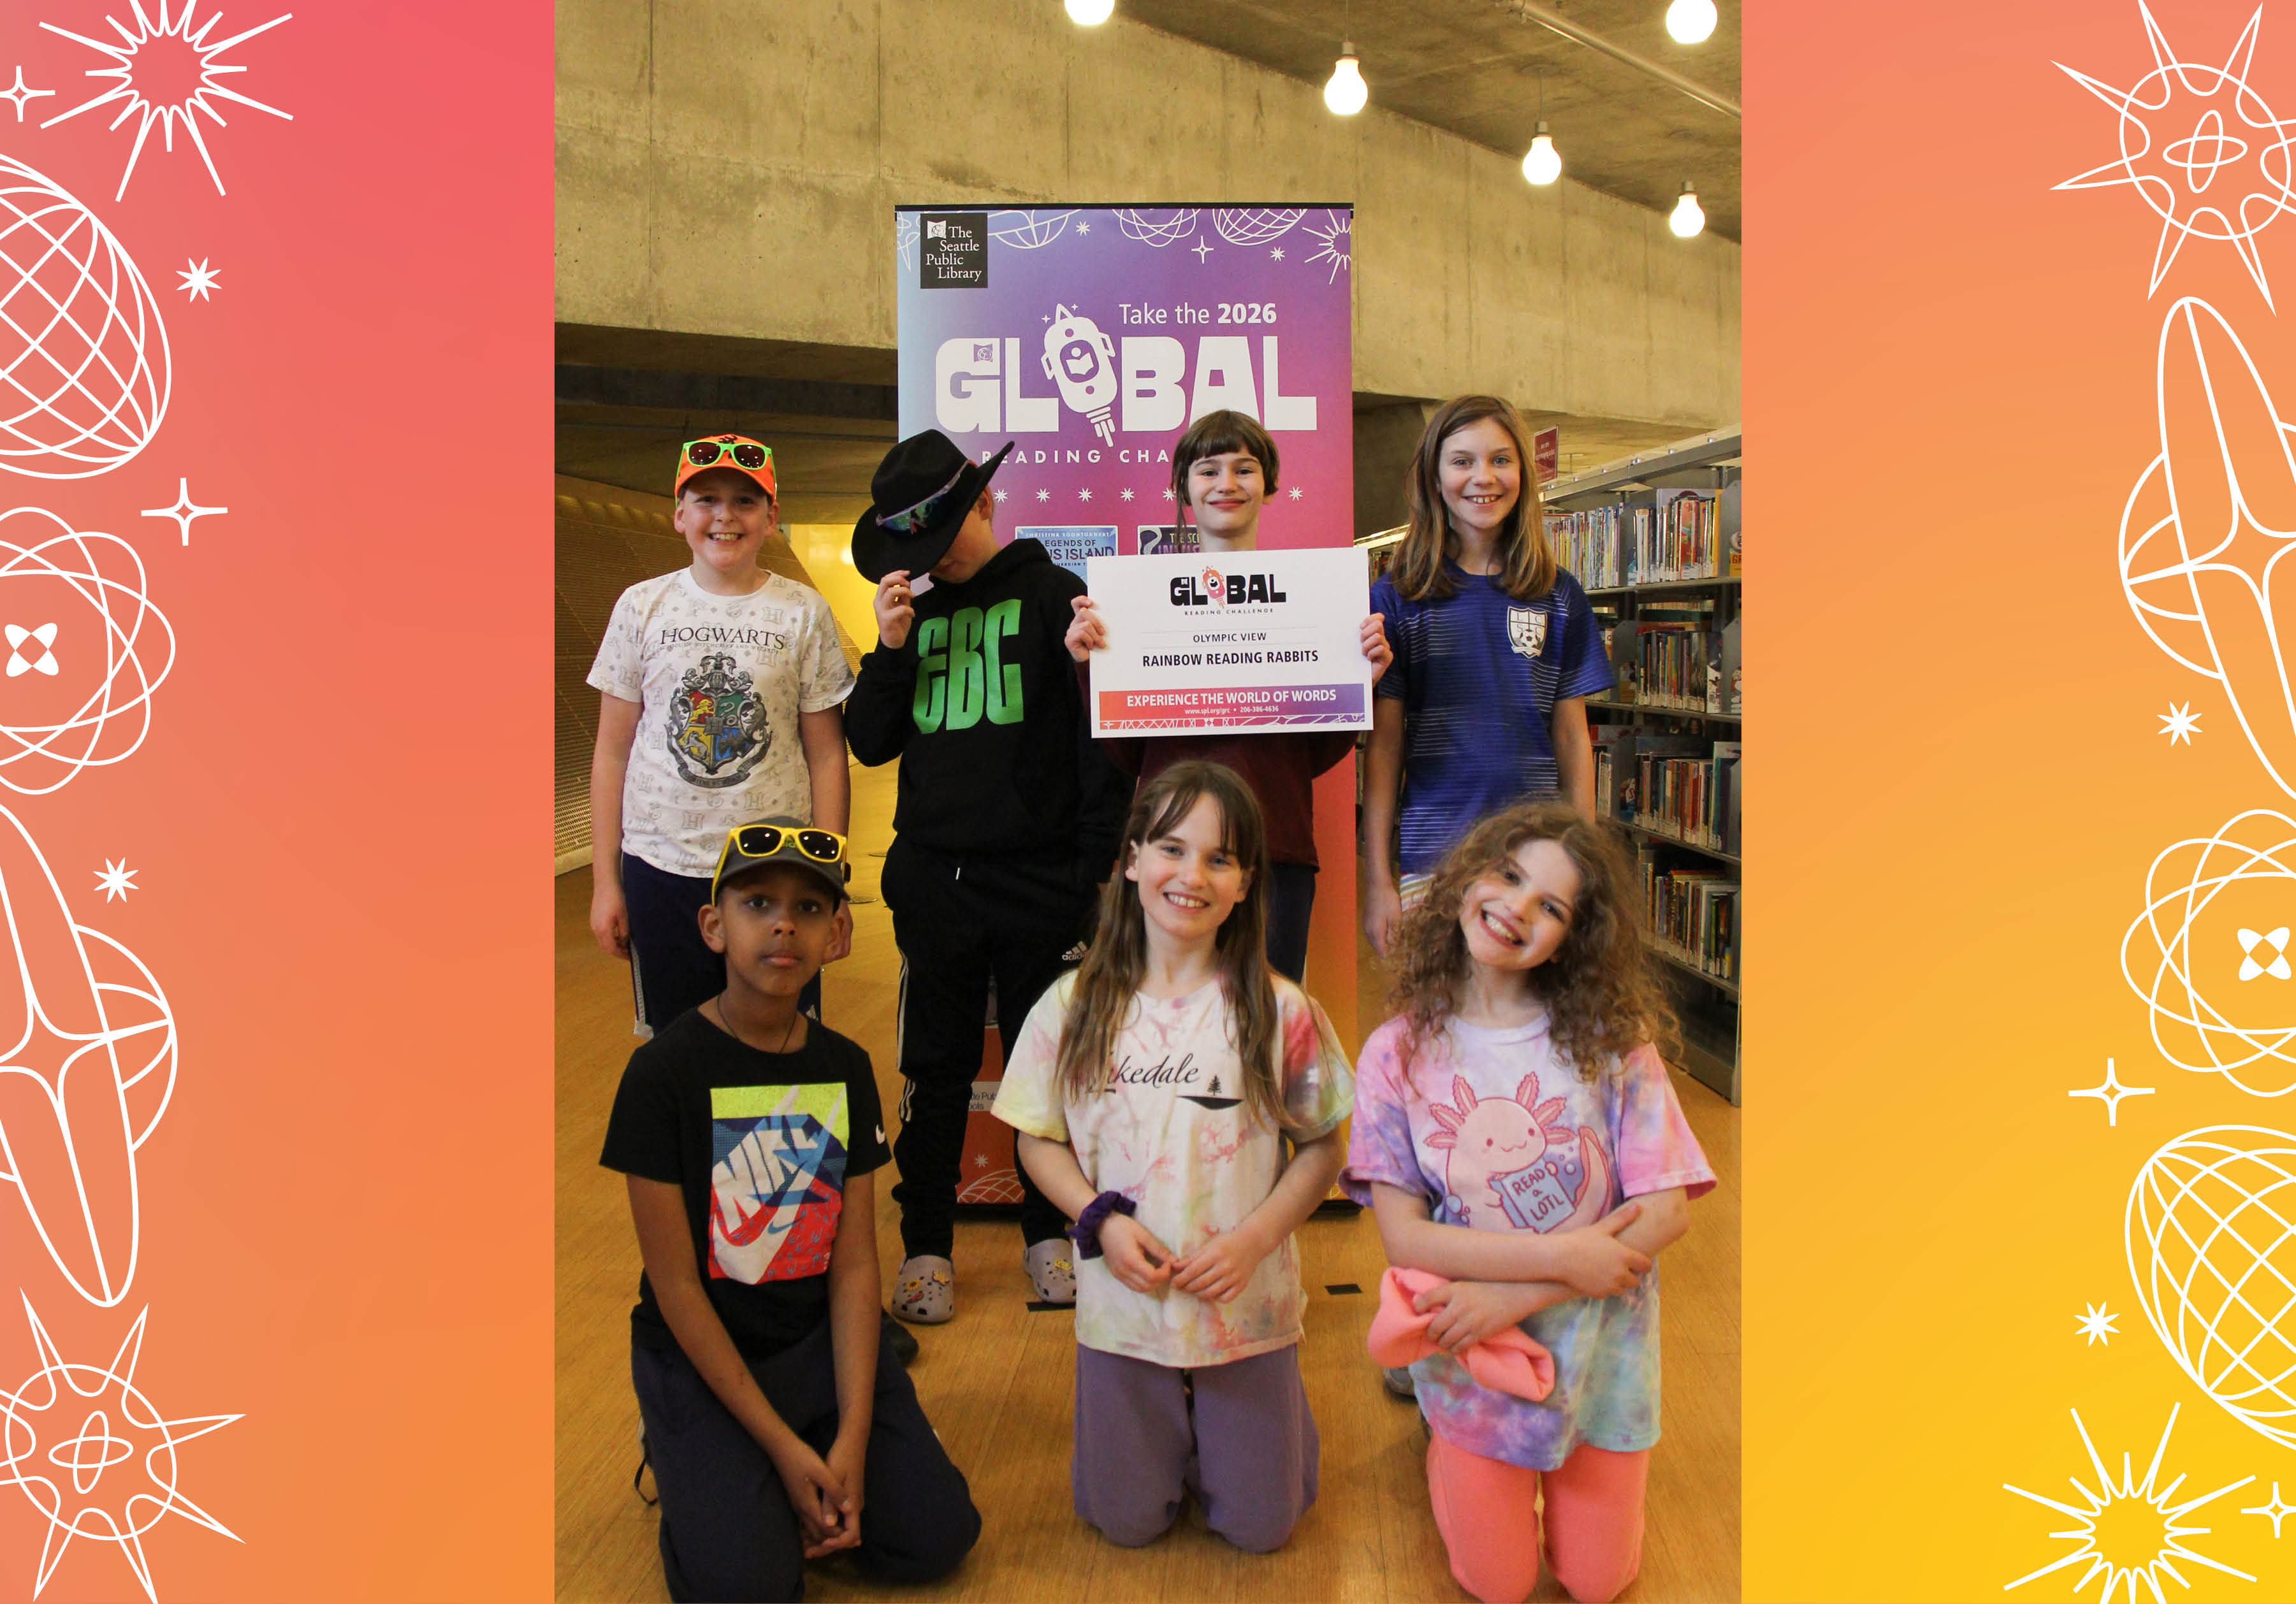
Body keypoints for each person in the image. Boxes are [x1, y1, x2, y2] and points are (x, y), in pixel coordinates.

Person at [598, 819, 980, 1603]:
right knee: (751, 1588)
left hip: (811, 1346)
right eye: (757, 904)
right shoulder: (661, 1074)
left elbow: (853, 1267)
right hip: (702, 1356)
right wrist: (779, 1448)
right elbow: (674, 1289)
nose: (783, 924)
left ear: (837, 935)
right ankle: (691, 1464)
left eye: (810, 910)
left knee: (938, 1539)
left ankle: (798, 1470)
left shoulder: (842, 1069)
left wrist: (847, 1440)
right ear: (713, 926)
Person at [1342, 801, 1713, 1604]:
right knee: (1498, 1586)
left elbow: (1666, 1212)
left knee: (1596, 1581)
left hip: (1602, 1364)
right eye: (1508, 876)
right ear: (1466, 879)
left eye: (1552, 906)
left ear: (1572, 940)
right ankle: (1446, 1447)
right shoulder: (1395, 1052)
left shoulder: (1614, 1043)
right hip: (1480, 1366)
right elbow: (1403, 1239)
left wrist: (1529, 1285)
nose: (1516, 907)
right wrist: (1567, 1256)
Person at [991, 761, 1354, 1552]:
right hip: (1124, 1305)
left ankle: (1254, 1429)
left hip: (1243, 1303)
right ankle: (1180, 1436)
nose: (1191, 875)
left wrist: (1255, 1240)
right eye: (1170, 848)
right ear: (1128, 859)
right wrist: (1096, 1220)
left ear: (1245, 882)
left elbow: (1324, 1141)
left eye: (1218, 858)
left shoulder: (1279, 1008)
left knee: (1261, 1529)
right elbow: (1035, 1137)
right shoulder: (1073, 1002)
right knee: (1124, 1524)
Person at [845, 430, 1128, 1320]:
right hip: (936, 880)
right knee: (934, 1074)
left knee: (1047, 1071)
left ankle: (1050, 1233)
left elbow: (1096, 743)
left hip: (1041, 880)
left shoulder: (1054, 598)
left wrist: (1088, 868)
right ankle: (926, 1243)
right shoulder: (914, 616)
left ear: (986, 506)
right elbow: (869, 741)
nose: (937, 562)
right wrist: (889, 651)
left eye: (947, 536)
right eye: (918, 551)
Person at [1062, 410, 1390, 982]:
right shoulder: (1135, 606)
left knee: (1264, 1024)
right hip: (1170, 848)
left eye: (1245, 469)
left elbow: (1314, 757)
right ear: (1182, 487)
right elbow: (1125, 757)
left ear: (1269, 486)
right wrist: (1092, 669)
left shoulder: (1315, 602)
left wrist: (1358, 683)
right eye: (1208, 469)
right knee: (1168, 1017)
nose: (1227, 484)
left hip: (1274, 848)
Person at [587, 434, 855, 1033]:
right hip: (661, 869)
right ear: (680, 513)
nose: (725, 516)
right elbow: (611, 752)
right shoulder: (641, 606)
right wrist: (608, 883)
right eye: (707, 498)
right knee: (676, 1048)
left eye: (745, 501)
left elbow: (826, 755)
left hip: (777, 870)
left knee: (779, 1041)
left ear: (771, 517)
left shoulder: (803, 611)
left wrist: (830, 877)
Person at [1362, 396, 1615, 957]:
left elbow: (1573, 738)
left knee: (1528, 1026)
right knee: (1436, 1030)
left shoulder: (1558, 593)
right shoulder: (1398, 597)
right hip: (1434, 857)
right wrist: (1378, 880)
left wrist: (1584, 861)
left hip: (1537, 861)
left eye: (1501, 460)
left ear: (1524, 473)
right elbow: (1384, 749)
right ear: (1434, 475)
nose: (1483, 477)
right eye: (1462, 461)